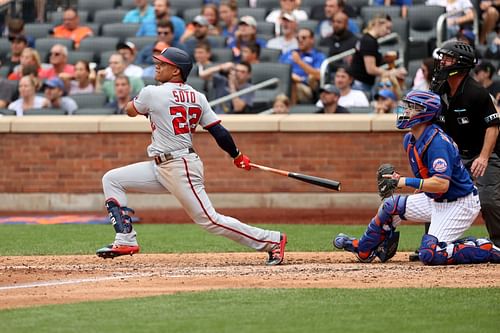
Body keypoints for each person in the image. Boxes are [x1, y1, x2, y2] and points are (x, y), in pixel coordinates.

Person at [95, 47, 287, 265]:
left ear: (176, 71)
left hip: (179, 167)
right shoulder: (198, 96)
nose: (157, 66)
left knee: (209, 220)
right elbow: (218, 132)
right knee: (112, 179)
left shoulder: (152, 92)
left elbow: (129, 110)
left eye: (163, 64)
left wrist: (146, 108)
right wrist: (237, 155)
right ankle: (125, 238)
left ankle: (272, 241)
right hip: (163, 165)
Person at [334, 90, 500, 265]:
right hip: (436, 200)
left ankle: (486, 249)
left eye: (411, 108)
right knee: (391, 206)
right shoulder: (410, 139)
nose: (405, 111)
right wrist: (410, 183)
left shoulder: (437, 143)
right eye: (406, 107)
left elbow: (442, 184)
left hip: (459, 204)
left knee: (430, 254)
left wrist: (403, 181)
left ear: (426, 113)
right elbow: (429, 176)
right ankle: (364, 249)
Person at [430, 40, 500, 247]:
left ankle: (498, 243)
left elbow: (493, 126)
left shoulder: (476, 92)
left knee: (488, 199)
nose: (442, 62)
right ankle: (432, 242)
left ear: (460, 63)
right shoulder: (437, 88)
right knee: (436, 193)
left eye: (447, 58)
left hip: (483, 153)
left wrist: (484, 157)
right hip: (454, 155)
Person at [350, 14, 406, 94]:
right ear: (378, 24)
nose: (389, 32)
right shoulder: (369, 41)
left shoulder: (371, 40)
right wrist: (392, 73)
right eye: (387, 28)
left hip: (364, 84)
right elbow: (371, 69)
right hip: (360, 85)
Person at [279, 28, 326, 104]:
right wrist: (291, 76)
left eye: (304, 38)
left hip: (305, 86)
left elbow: (318, 75)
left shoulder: (318, 56)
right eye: (298, 38)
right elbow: (278, 70)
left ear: (312, 40)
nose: (300, 40)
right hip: (285, 84)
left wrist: (299, 62)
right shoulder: (289, 53)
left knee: (293, 85)